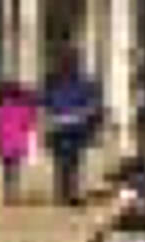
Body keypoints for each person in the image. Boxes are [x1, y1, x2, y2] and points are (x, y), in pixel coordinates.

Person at [39, 52, 103, 207]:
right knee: (72, 161)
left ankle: (64, 192)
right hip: (72, 126)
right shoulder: (79, 82)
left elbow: (44, 102)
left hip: (63, 126)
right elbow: (92, 103)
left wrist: (49, 116)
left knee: (64, 161)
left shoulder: (55, 82)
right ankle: (68, 192)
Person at [0, 79, 38, 204]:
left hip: (5, 142)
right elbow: (28, 123)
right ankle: (13, 193)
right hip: (17, 142)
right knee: (15, 169)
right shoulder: (22, 107)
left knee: (7, 169)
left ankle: (8, 193)